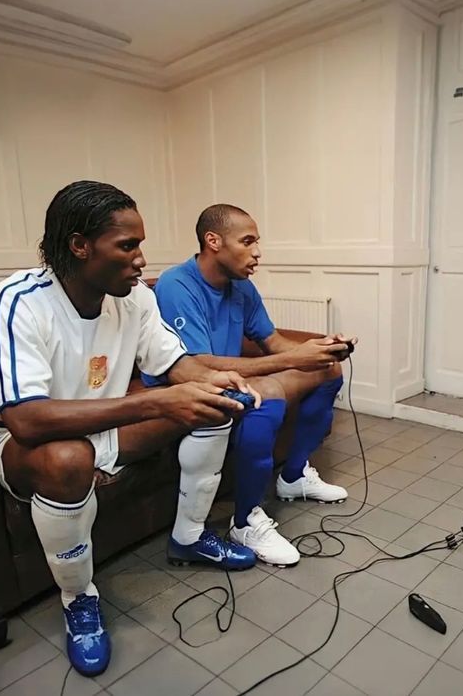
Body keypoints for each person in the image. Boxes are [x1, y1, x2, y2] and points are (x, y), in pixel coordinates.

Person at [0, 182, 272, 679]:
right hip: (31, 447)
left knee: (214, 406)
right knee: (69, 458)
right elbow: (24, 419)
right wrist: (157, 400)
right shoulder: (16, 301)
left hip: (105, 429)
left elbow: (172, 362)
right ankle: (78, 599)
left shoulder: (134, 299)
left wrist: (213, 381)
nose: (140, 260)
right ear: (80, 245)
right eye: (128, 246)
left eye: (141, 245)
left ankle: (190, 536)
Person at [149, 204, 357, 567]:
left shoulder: (242, 287)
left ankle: (293, 477)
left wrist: (320, 351)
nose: (257, 252)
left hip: (231, 379)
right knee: (269, 392)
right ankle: (244, 522)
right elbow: (193, 366)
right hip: (185, 385)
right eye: (247, 241)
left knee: (329, 372)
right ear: (213, 241)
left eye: (257, 242)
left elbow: (274, 343)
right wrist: (292, 360)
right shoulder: (175, 284)